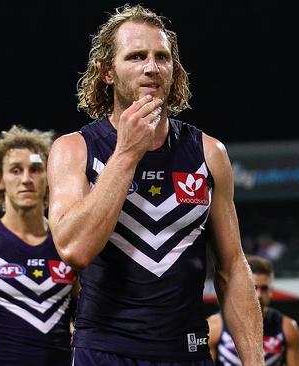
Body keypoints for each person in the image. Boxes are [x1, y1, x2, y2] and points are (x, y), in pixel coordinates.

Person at [47, 4, 263, 365]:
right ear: (107, 73)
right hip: (105, 352)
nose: (151, 67)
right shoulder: (74, 150)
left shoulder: (209, 152)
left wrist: (254, 361)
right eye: (136, 56)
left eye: (161, 57)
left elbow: (232, 266)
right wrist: (127, 154)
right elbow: (74, 248)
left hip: (187, 352)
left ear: (174, 70)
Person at [0, 126, 75, 366]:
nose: (26, 179)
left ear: (49, 177)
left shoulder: (67, 244)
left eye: (36, 169)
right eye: (16, 170)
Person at [208, 255, 299, 365]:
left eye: (264, 288)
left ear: (271, 291)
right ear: (241, 288)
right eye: (253, 288)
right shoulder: (214, 326)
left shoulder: (287, 327)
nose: (258, 295)